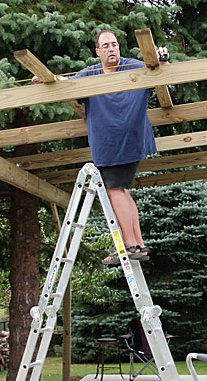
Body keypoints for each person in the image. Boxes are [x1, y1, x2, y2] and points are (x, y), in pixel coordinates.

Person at [71, 30, 169, 265]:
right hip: (107, 147)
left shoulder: (132, 66)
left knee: (115, 190)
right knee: (122, 191)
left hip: (129, 141)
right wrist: (46, 81)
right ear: (98, 51)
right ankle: (138, 245)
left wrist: (160, 58)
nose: (111, 49)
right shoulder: (91, 73)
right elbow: (68, 85)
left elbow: (153, 68)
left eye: (114, 44)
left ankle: (129, 245)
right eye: (106, 46)